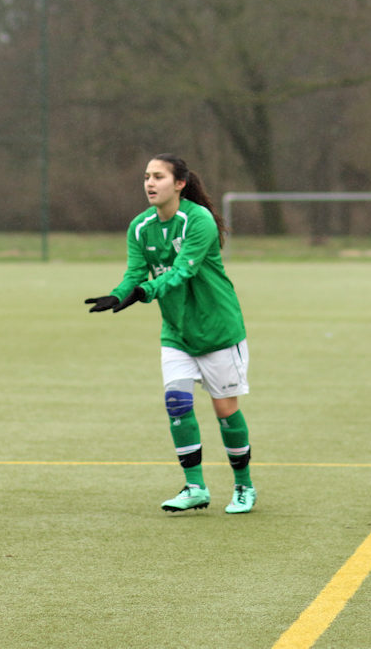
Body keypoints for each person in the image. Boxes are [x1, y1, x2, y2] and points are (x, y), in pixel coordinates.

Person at [85, 153, 255, 514]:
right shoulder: (139, 226)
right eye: (146, 176)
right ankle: (195, 487)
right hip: (176, 333)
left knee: (225, 411)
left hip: (218, 331)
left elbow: (182, 272)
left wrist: (143, 293)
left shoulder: (199, 221)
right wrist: (118, 294)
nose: (149, 183)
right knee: (177, 404)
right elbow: (135, 273)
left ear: (179, 183)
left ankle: (243, 486)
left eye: (158, 176)